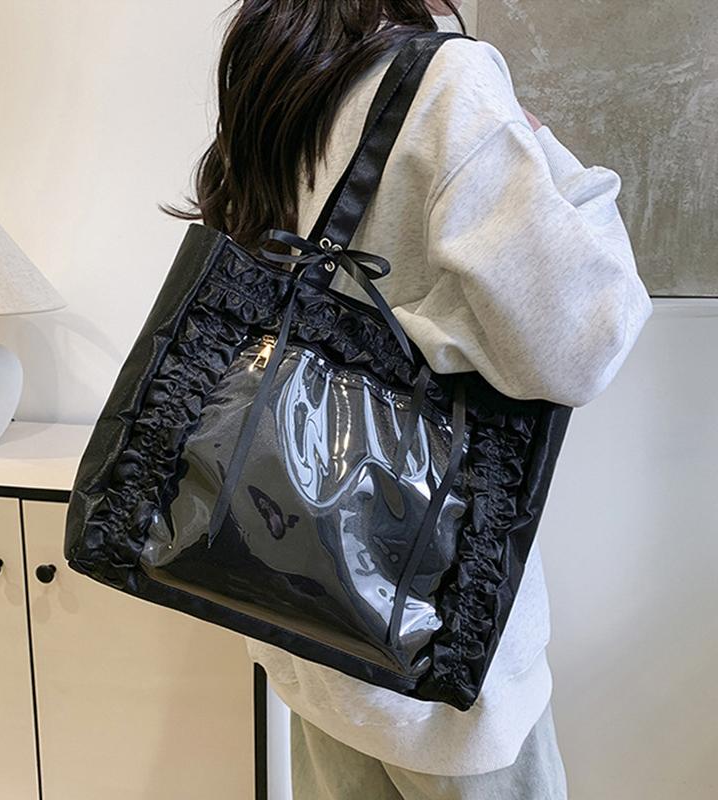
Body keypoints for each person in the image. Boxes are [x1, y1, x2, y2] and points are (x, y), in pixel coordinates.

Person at [164, 2, 654, 797]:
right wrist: (552, 158)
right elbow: (586, 339)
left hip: (305, 627)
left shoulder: (284, 67)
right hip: (440, 663)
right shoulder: (447, 77)